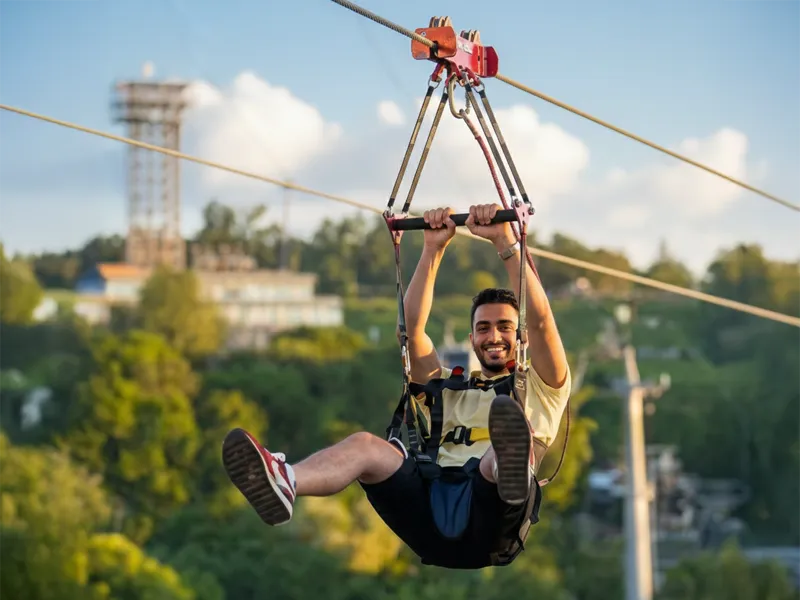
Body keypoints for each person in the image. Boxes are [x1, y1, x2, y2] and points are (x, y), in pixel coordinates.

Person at [221, 203, 571, 569]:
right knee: (366, 446)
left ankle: (509, 469)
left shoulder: (543, 386)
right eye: (483, 328)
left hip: (492, 522)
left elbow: (543, 323)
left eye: (504, 327)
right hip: (429, 517)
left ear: (521, 335)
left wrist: (506, 243)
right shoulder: (446, 390)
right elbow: (411, 333)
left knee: (503, 432)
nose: (493, 335)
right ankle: (286, 480)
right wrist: (433, 249)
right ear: (471, 338)